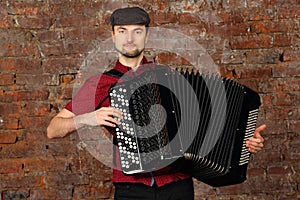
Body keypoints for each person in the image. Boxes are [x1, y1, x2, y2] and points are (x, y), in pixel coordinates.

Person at [47, 7, 266, 200]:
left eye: (137, 31)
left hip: (177, 185)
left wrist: (243, 140)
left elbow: (209, 121)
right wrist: (88, 118)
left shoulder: (169, 77)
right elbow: (53, 129)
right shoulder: (101, 84)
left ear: (146, 36)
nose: (129, 38)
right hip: (131, 188)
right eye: (122, 31)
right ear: (113, 36)